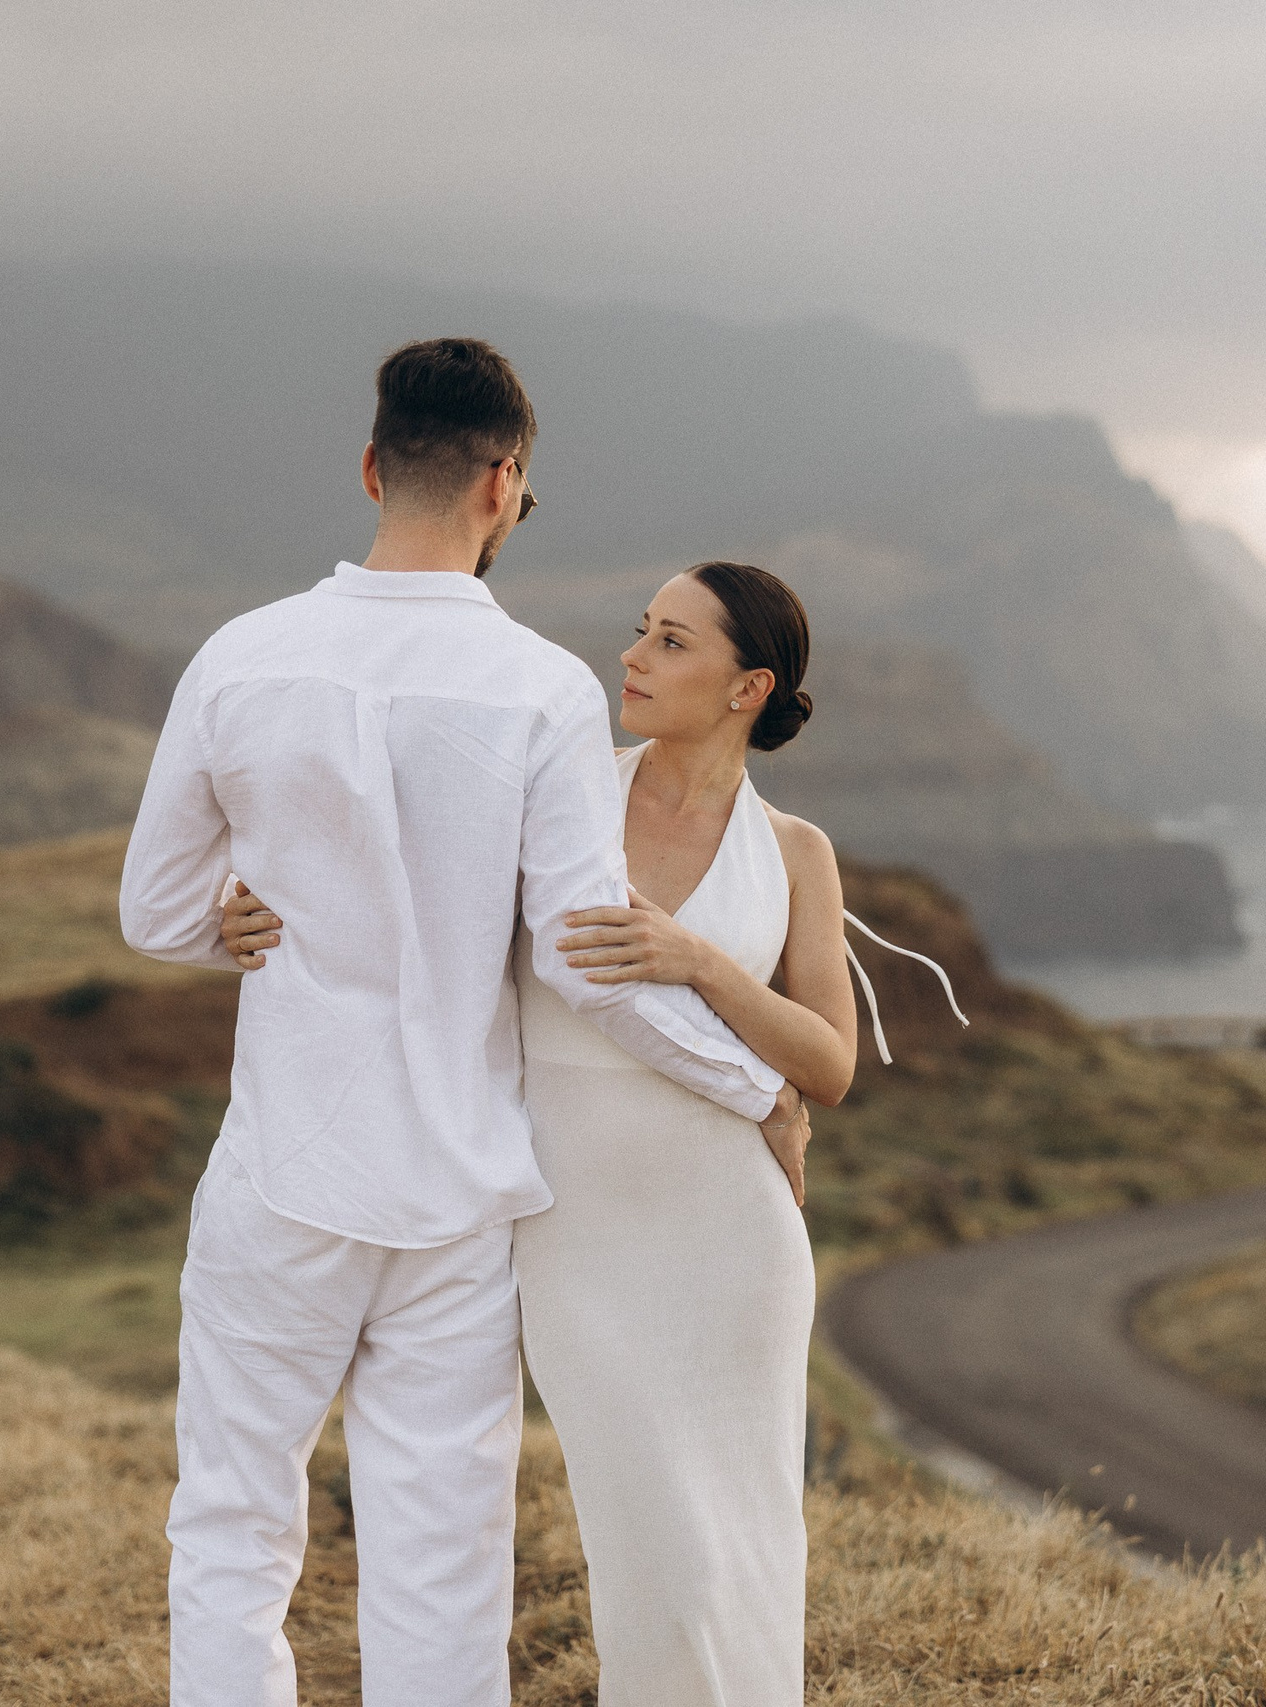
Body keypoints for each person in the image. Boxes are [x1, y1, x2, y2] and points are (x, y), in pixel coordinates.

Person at [117, 338, 808, 1707]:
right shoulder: (544, 688)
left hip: (282, 1170)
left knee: (233, 1530)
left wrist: (228, 922)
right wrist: (754, 1089)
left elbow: (152, 907)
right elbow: (589, 957)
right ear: (504, 483)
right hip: (457, 1193)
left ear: (374, 466)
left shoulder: (240, 655)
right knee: (443, 1561)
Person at [229, 559, 855, 1707]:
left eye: (672, 642)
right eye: (641, 631)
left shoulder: (798, 852)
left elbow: (829, 1061)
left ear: (746, 686)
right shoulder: (558, 796)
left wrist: (702, 962)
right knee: (644, 1547)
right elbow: (390, 888)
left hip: (734, 1237)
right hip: (572, 1226)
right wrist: (249, 896)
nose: (633, 656)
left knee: (742, 1536)